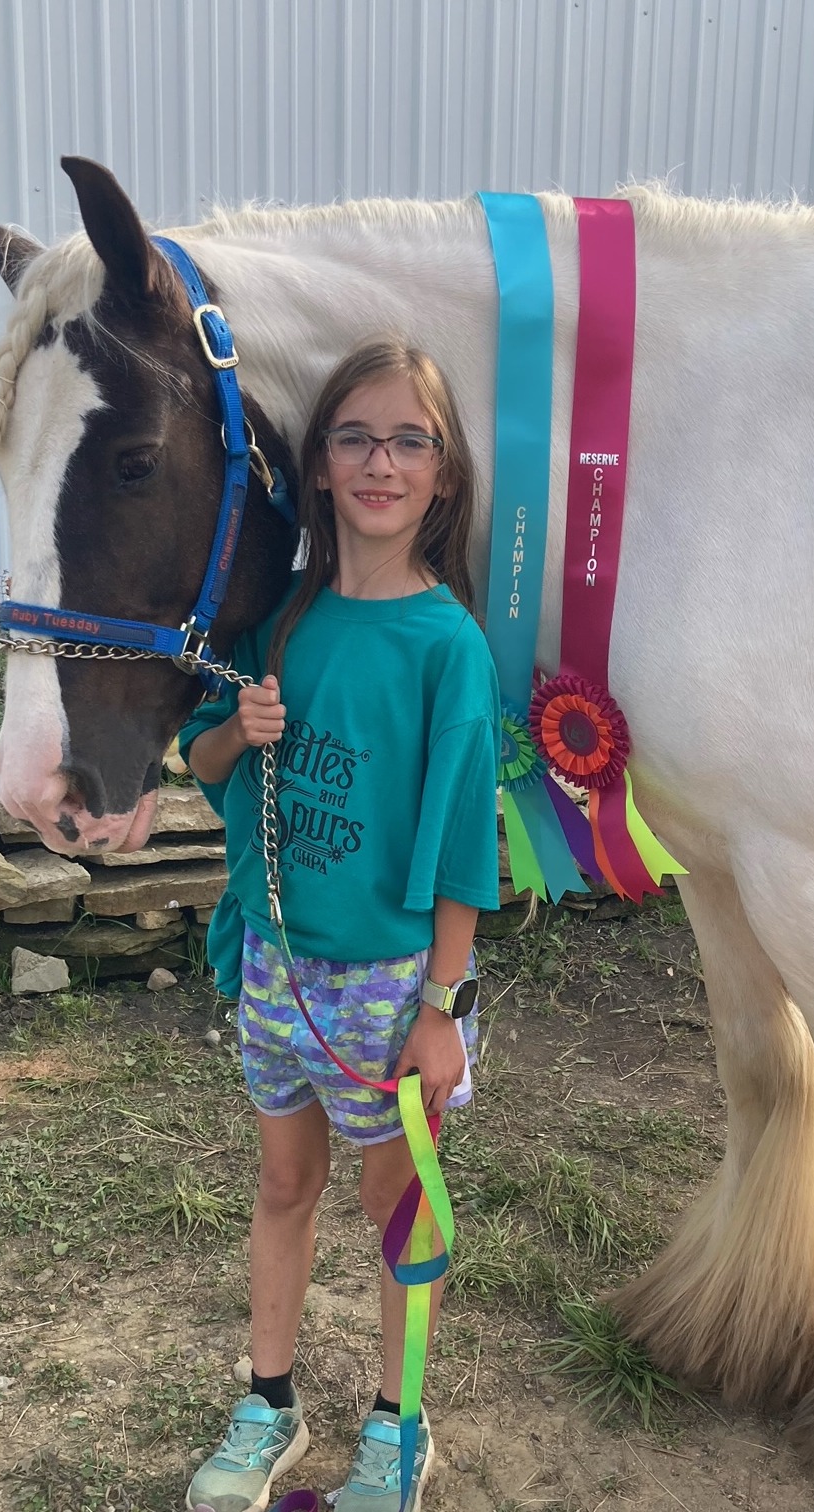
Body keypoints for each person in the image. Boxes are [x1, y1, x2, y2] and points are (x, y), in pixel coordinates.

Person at [179, 336, 501, 1512]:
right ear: (315, 466)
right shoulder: (280, 622)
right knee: (280, 1183)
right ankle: (270, 1400)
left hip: (385, 985)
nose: (380, 461)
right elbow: (205, 760)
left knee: (392, 1204)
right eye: (355, 437)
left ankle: (397, 1425)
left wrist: (441, 1010)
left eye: (407, 440)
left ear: (443, 476)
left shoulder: (447, 646)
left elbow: (467, 844)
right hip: (271, 965)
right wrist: (239, 731)